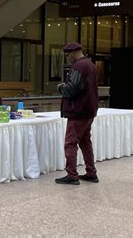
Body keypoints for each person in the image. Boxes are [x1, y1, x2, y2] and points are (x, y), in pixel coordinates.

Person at [55, 42, 99, 185]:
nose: (67, 58)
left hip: (78, 111)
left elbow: (71, 89)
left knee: (70, 143)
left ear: (74, 52)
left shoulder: (79, 66)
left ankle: (72, 175)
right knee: (85, 141)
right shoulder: (91, 65)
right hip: (89, 111)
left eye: (67, 55)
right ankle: (91, 173)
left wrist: (61, 87)